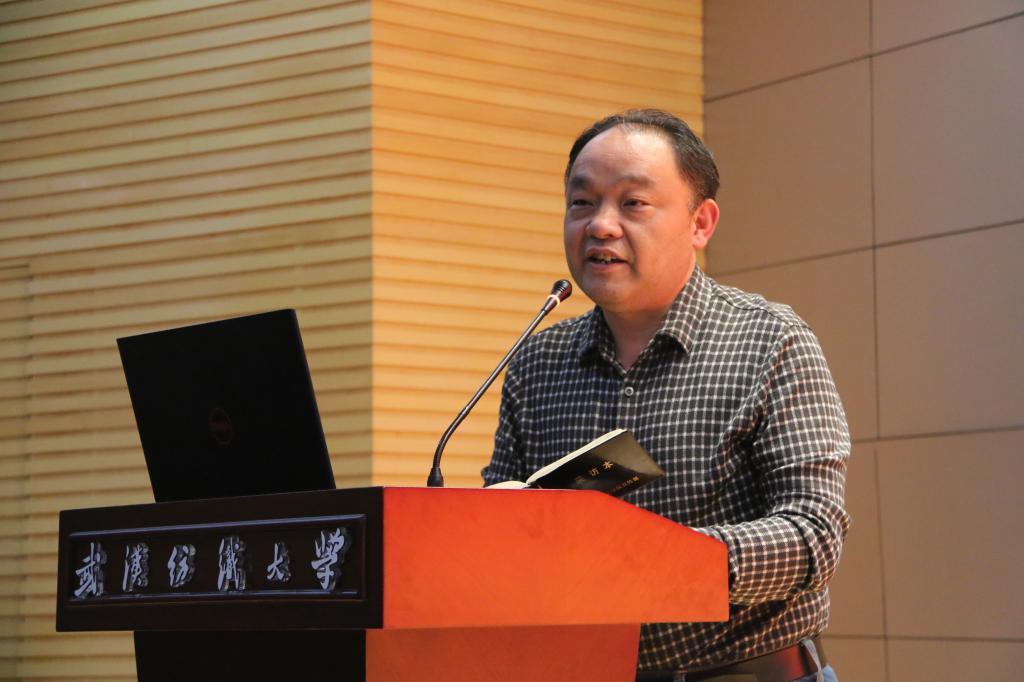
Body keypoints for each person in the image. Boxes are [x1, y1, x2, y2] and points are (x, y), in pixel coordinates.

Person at [482, 109, 849, 682]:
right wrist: (487, 527)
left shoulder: (770, 341)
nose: (601, 226)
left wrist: (662, 560)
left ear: (701, 223)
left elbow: (814, 534)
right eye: (582, 202)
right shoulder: (537, 363)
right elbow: (502, 536)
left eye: (633, 203)